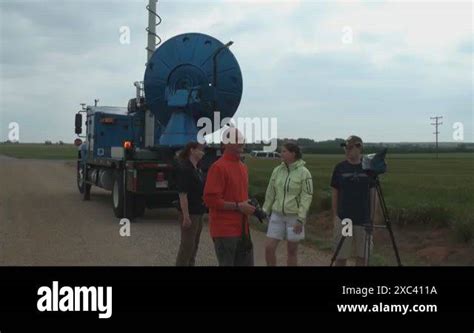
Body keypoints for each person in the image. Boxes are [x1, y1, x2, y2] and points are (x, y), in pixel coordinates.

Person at [203, 127, 256, 266]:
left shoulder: (243, 167)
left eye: (242, 140)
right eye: (237, 140)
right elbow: (210, 200)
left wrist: (249, 205)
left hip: (243, 229)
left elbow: (239, 196)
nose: (242, 143)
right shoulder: (218, 167)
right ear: (225, 143)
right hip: (225, 230)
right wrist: (239, 206)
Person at [262, 142, 313, 266]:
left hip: (294, 217)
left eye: (284, 151)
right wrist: (264, 210)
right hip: (277, 215)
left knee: (291, 251)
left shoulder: (304, 172)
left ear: (293, 154)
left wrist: (301, 219)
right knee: (269, 248)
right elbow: (271, 191)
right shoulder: (277, 170)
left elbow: (307, 196)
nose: (281, 153)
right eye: (281, 151)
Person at [330, 135, 376, 266]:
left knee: (363, 256)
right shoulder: (339, 168)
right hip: (345, 219)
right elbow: (335, 192)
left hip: (364, 220)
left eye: (350, 147)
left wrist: (372, 218)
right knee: (341, 255)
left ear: (359, 148)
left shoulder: (369, 168)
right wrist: (335, 216)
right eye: (346, 148)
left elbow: (373, 194)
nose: (347, 150)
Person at [175, 142, 206, 266]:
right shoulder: (185, 169)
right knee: (187, 246)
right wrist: (186, 216)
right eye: (200, 150)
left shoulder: (197, 168)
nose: (203, 153)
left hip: (199, 211)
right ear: (192, 150)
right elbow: (183, 194)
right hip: (190, 213)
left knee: (194, 245)